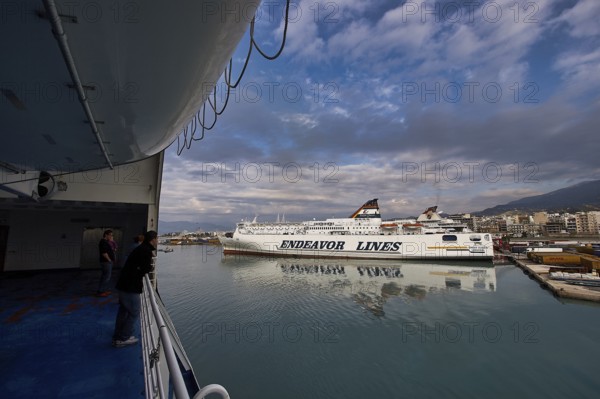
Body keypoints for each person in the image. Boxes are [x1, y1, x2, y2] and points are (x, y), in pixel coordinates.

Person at [112, 230, 158, 348]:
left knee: (123, 311)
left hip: (124, 283)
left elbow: (140, 267)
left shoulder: (141, 248)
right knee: (134, 312)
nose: (158, 241)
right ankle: (123, 338)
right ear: (152, 240)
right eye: (157, 239)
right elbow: (146, 269)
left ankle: (118, 335)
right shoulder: (146, 251)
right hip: (130, 286)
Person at [97, 229, 115, 297]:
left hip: (106, 262)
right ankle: (101, 291)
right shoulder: (103, 242)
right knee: (106, 277)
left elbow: (113, 249)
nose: (111, 236)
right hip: (106, 262)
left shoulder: (106, 242)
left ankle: (103, 290)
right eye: (110, 235)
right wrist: (109, 260)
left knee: (105, 276)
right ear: (106, 235)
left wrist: (112, 242)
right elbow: (104, 253)